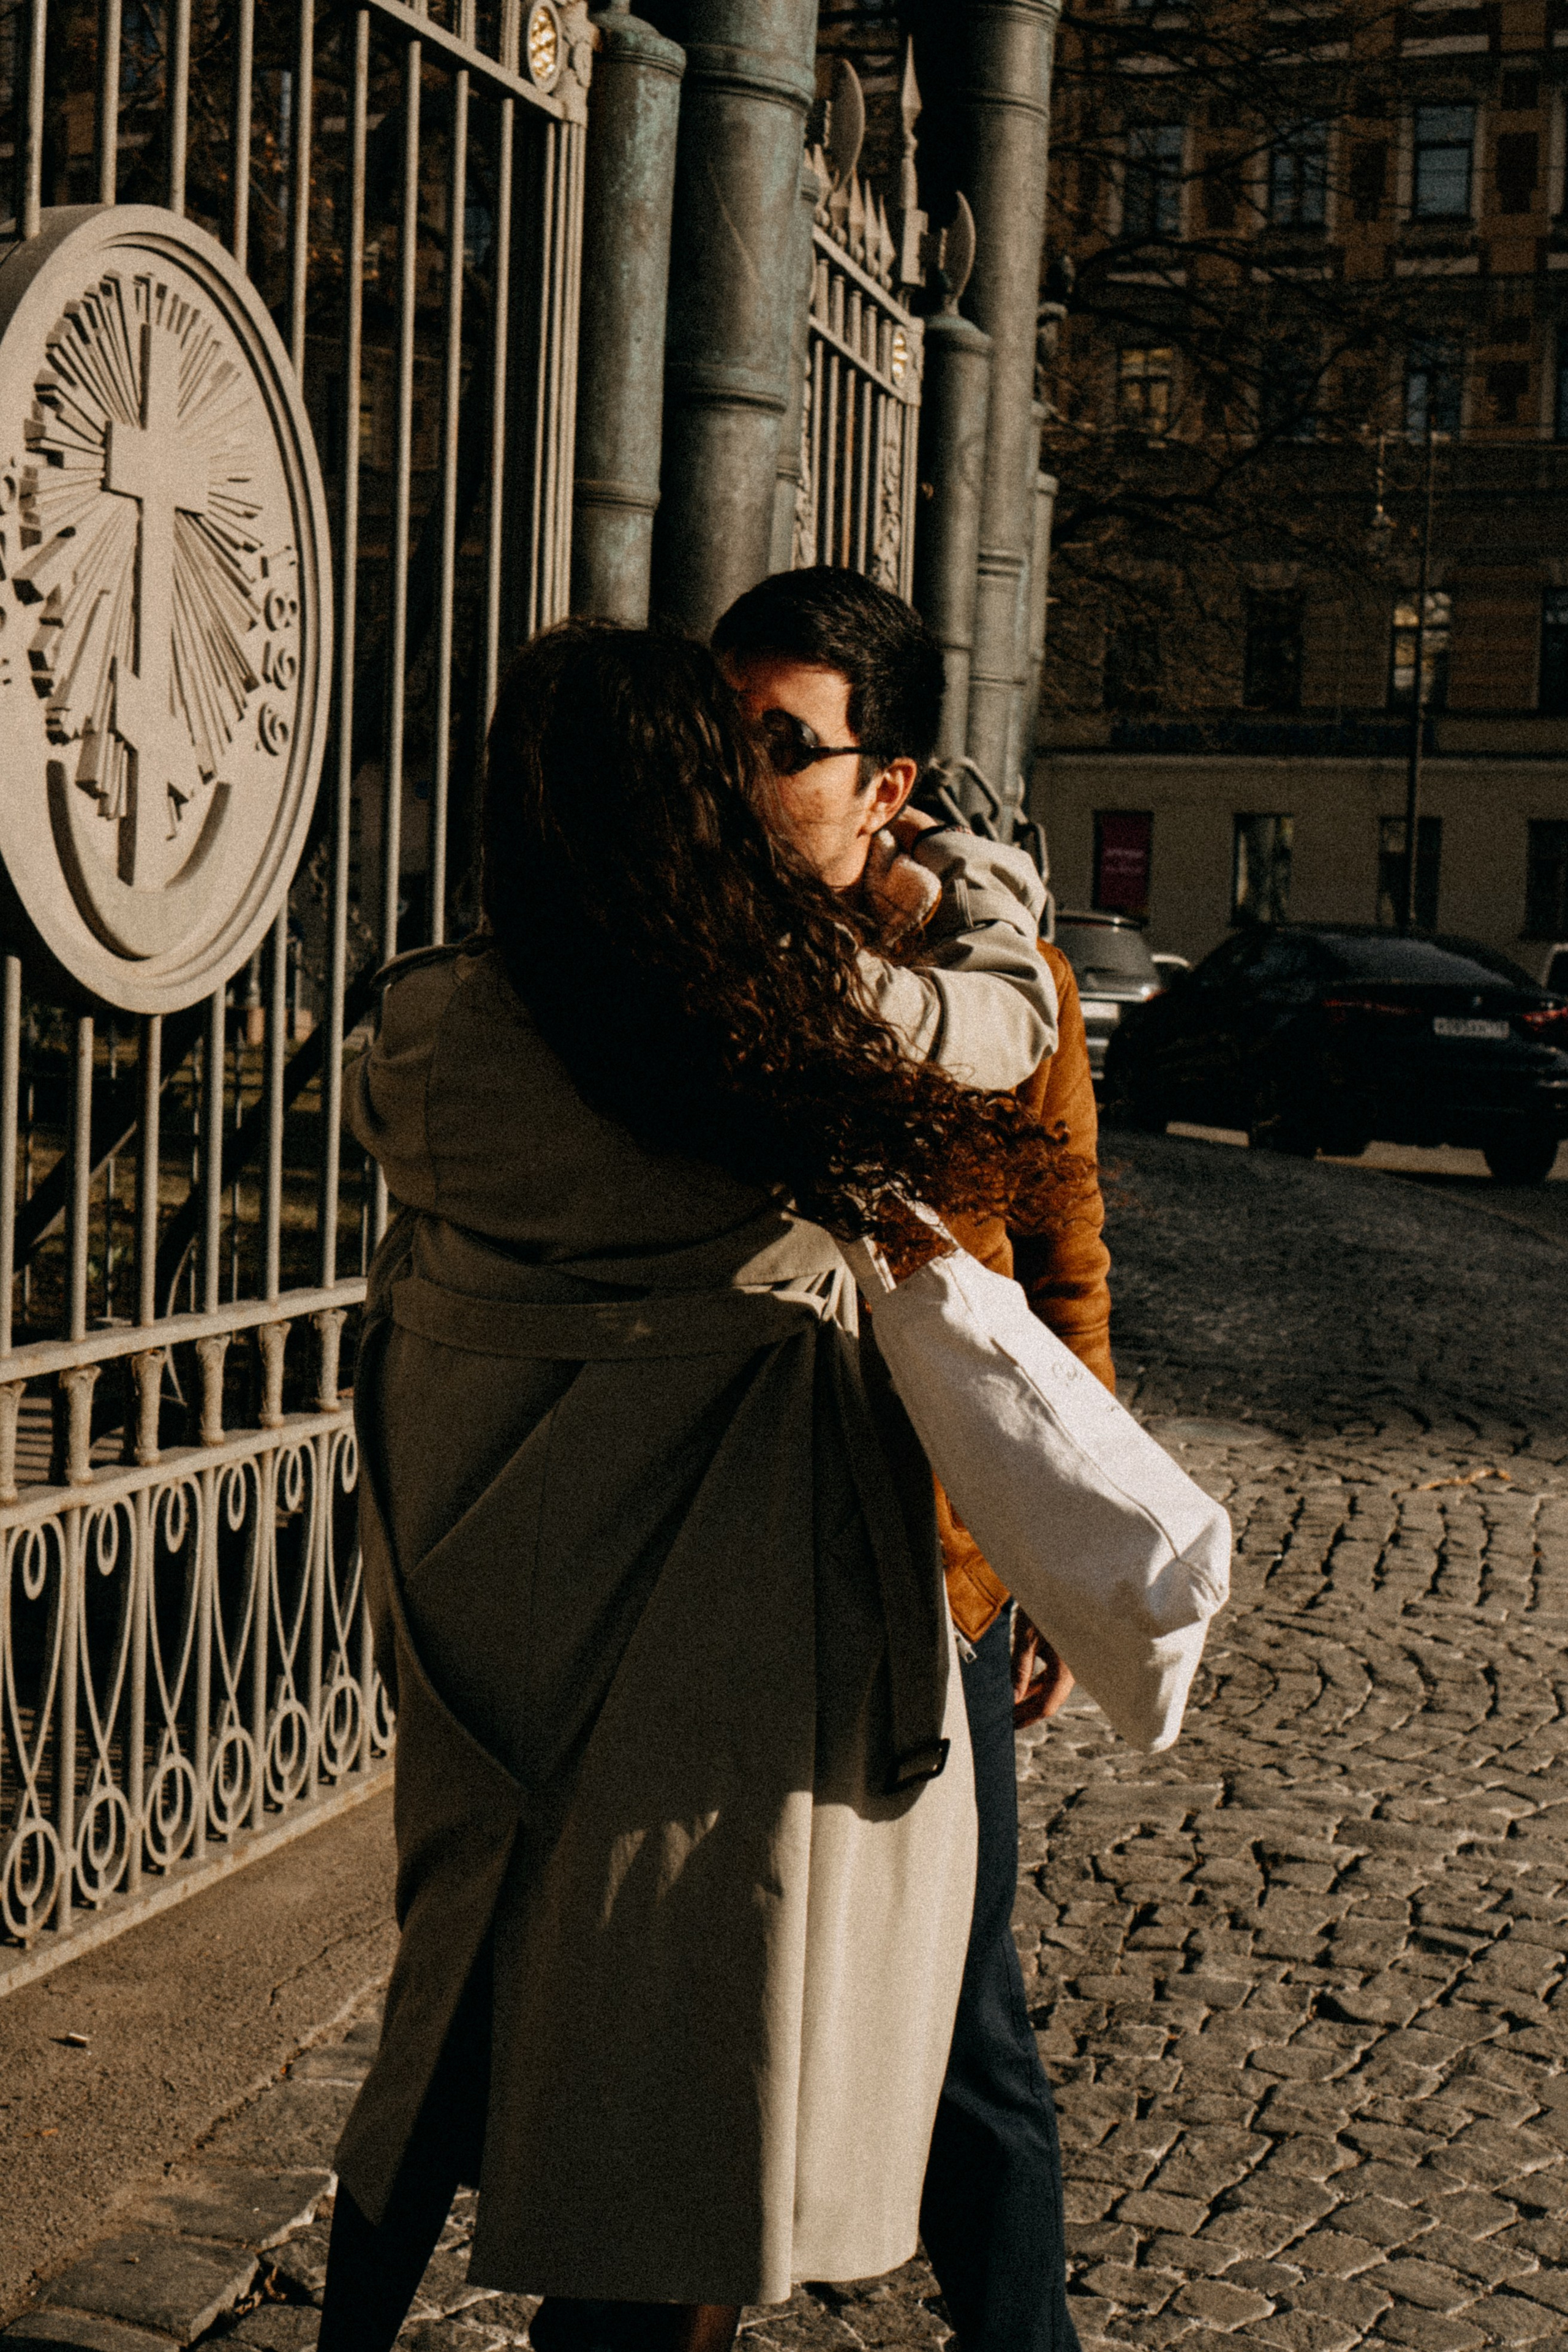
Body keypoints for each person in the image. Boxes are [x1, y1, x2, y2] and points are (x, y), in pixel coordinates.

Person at [320, 620, 1069, 2352]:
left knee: (464, 2015)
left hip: (499, 1641)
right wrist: (969, 869)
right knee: (685, 2096)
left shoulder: (433, 1032)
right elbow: (1006, 1025)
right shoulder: (787, 1033)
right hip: (708, 1674)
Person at [715, 567, 1112, 2352]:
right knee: (705, 2001)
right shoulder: (685, 951)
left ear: (887, 783)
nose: (739, 777)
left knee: (966, 2027)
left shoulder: (1003, 986)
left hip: (928, 1579)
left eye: (783, 746)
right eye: (719, 736)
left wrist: (1048, 1548)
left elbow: (1066, 1258)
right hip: (718, 1560)